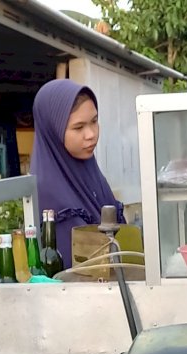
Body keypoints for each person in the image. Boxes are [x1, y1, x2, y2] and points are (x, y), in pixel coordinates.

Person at [31, 79, 125, 269]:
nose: (91, 134)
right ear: (53, 131)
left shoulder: (91, 174)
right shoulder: (47, 191)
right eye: (78, 127)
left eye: (94, 121)